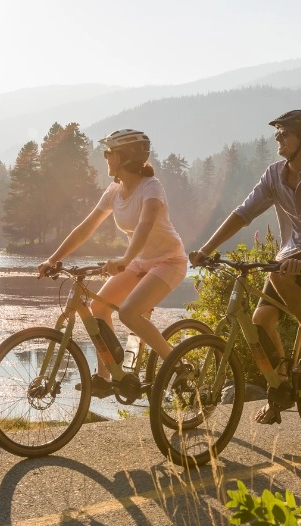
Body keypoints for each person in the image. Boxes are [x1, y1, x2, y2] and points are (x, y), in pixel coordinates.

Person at [190, 109, 301, 424]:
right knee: (260, 321)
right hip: (288, 254)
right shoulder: (273, 174)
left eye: (284, 133)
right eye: (277, 133)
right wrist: (206, 249)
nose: (278, 138)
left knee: (281, 271)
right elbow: (243, 212)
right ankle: (279, 388)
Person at [38, 129, 189, 398]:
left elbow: (145, 225)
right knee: (98, 308)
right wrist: (54, 259)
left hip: (168, 261)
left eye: (109, 153)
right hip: (138, 261)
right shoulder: (115, 190)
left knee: (129, 313)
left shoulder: (151, 188)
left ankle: (178, 364)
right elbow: (86, 228)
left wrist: (124, 260)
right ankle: (104, 378)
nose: (105, 157)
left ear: (124, 157)